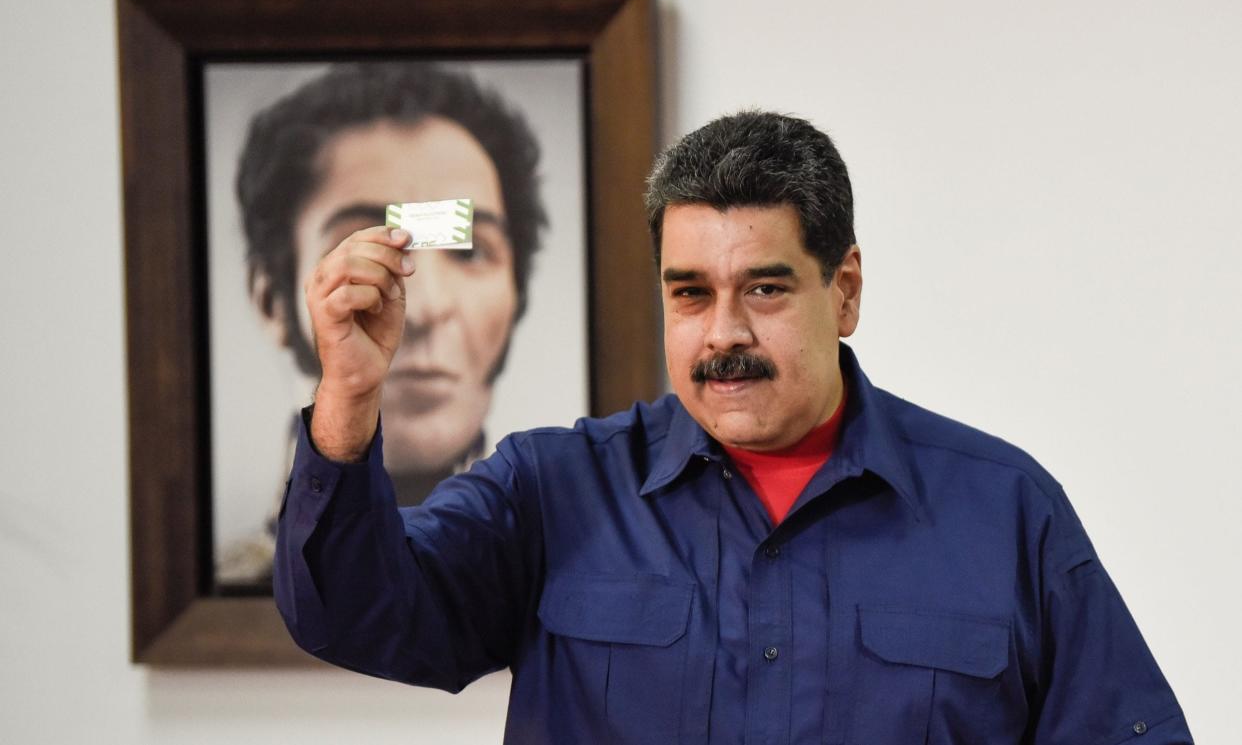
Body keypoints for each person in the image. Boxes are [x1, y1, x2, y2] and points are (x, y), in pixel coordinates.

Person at [274, 111, 1193, 743]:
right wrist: (349, 397)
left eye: (764, 287)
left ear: (845, 291)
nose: (723, 333)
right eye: (690, 293)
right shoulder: (549, 492)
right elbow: (351, 616)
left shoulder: (1005, 510)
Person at [217, 62, 548, 586]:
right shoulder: (237, 580)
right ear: (271, 301)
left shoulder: (565, 570)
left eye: (470, 251)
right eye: (360, 249)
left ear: (518, 292)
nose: (426, 306)